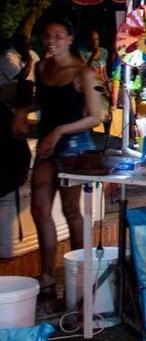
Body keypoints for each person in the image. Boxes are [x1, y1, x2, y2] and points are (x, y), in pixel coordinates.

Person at [30, 18, 103, 302]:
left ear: (70, 39)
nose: (52, 40)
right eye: (48, 35)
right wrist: (23, 109)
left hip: (74, 147)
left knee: (73, 212)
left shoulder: (83, 72)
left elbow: (95, 116)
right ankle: (47, 277)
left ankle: (80, 280)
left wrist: (59, 130)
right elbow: (45, 102)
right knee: (40, 210)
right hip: (48, 147)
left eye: (59, 35)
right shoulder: (40, 67)